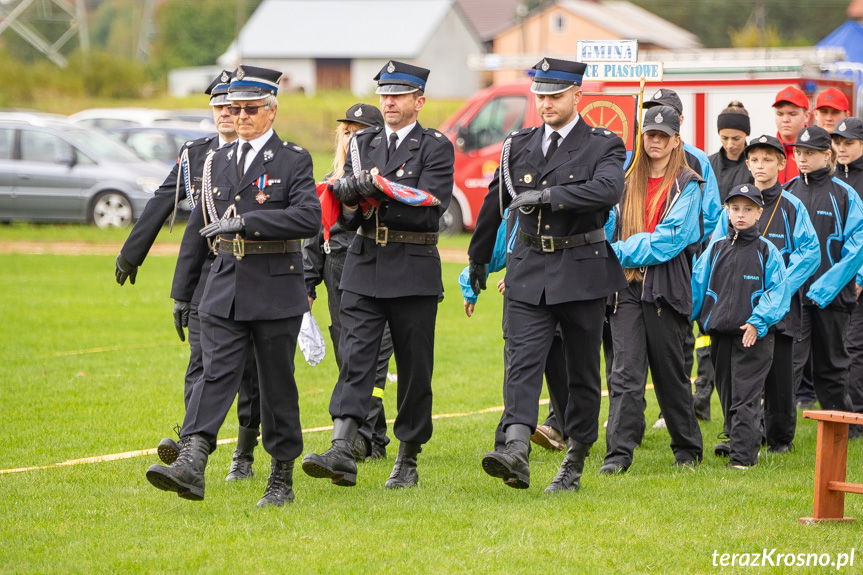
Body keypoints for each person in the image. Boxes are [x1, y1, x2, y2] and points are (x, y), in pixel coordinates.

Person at [146, 65, 321, 507]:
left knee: (275, 384)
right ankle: (193, 460)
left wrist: (252, 221)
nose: (240, 116)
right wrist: (183, 292)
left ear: (271, 111)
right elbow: (198, 228)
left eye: (250, 109)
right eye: (234, 108)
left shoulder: (292, 159)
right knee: (215, 373)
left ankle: (281, 477)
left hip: (274, 286)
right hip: (224, 284)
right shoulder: (216, 161)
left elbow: (307, 219)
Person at [468, 57, 627, 492]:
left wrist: (551, 195)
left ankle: (574, 458)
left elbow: (609, 190)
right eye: (540, 96)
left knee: (580, 373)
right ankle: (516, 447)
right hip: (529, 268)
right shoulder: (517, 144)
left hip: (581, 269)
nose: (545, 104)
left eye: (555, 96)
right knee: (522, 360)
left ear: (578, 94)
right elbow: (494, 202)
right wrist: (478, 259)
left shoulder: (603, 144)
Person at [301, 61, 454, 489]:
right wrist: (349, 200)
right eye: (384, 94)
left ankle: (407, 457)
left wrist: (376, 191)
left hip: (412, 263)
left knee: (413, 369)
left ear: (418, 101)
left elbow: (431, 207)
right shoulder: (362, 143)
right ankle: (343, 446)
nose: (388, 101)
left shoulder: (435, 146)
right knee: (355, 359)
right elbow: (348, 219)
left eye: (399, 95)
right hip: (365, 263)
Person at [116, 71, 263, 481]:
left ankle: (245, 454)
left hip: (254, 275)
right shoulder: (196, 154)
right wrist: (132, 254)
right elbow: (165, 199)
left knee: (250, 372)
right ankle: (188, 445)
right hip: (205, 278)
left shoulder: (269, 159)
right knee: (201, 361)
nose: (225, 114)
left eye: (233, 107)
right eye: (218, 107)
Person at [601, 106, 704, 474]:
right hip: (625, 289)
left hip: (666, 286)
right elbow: (609, 223)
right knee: (625, 373)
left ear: (677, 140)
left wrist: (620, 251)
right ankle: (618, 454)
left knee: (670, 373)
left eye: (663, 135)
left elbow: (671, 239)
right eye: (650, 135)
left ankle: (687, 448)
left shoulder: (688, 183)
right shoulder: (626, 179)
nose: (655, 141)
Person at [708, 135, 819, 455]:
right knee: (729, 369)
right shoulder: (734, 201)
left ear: (782, 164)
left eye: (768, 159)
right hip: (736, 302)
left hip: (780, 306)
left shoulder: (791, 204)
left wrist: (779, 286)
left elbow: (809, 253)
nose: (760, 166)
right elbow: (716, 248)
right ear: (747, 164)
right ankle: (737, 431)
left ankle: (779, 437)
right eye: (755, 160)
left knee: (780, 373)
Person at [303, 103, 394, 460]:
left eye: (359, 131)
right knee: (348, 358)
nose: (350, 137)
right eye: (346, 131)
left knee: (369, 359)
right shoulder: (329, 183)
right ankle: (374, 438)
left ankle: (361, 438)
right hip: (337, 271)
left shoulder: (380, 180)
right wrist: (307, 285)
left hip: (377, 270)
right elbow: (315, 235)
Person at [692, 184, 788, 468]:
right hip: (720, 335)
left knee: (746, 394)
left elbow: (778, 292)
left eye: (748, 209)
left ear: (759, 212)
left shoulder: (767, 251)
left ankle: (743, 458)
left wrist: (758, 323)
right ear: (727, 211)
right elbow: (698, 286)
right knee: (728, 393)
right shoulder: (716, 248)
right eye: (735, 209)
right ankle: (739, 439)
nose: (741, 214)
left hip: (753, 336)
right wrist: (688, 317)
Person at [641, 88, 721, 429]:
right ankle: (630, 412)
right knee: (631, 340)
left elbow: (714, 214)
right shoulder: (636, 159)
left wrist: (701, 259)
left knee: (679, 337)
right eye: (653, 113)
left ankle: (671, 410)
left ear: (680, 122)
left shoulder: (698, 160)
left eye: (666, 113)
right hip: (641, 262)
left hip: (685, 260)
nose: (659, 119)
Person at [786, 125, 863, 418]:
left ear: (826, 155)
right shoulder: (789, 191)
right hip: (795, 298)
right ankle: (776, 433)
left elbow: (857, 246)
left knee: (832, 366)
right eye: (799, 153)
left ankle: (844, 426)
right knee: (789, 364)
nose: (803, 159)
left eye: (810, 153)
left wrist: (826, 288)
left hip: (832, 298)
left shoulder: (844, 195)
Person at [696, 101, 754, 419]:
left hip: (745, 256)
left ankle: (744, 402)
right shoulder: (708, 164)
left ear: (745, 135)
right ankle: (702, 397)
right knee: (706, 328)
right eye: (724, 137)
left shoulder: (754, 164)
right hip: (711, 253)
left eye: (736, 137)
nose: (730, 144)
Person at [832, 118, 863, 422]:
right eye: (838, 142)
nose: (841, 148)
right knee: (842, 348)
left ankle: (853, 418)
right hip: (837, 278)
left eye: (848, 143)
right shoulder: (831, 178)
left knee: (853, 347)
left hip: (856, 278)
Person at [773, 85, 810, 185]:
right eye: (780, 114)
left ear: (806, 116)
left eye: (792, 114)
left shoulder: (817, 152)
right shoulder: (766, 151)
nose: (785, 120)